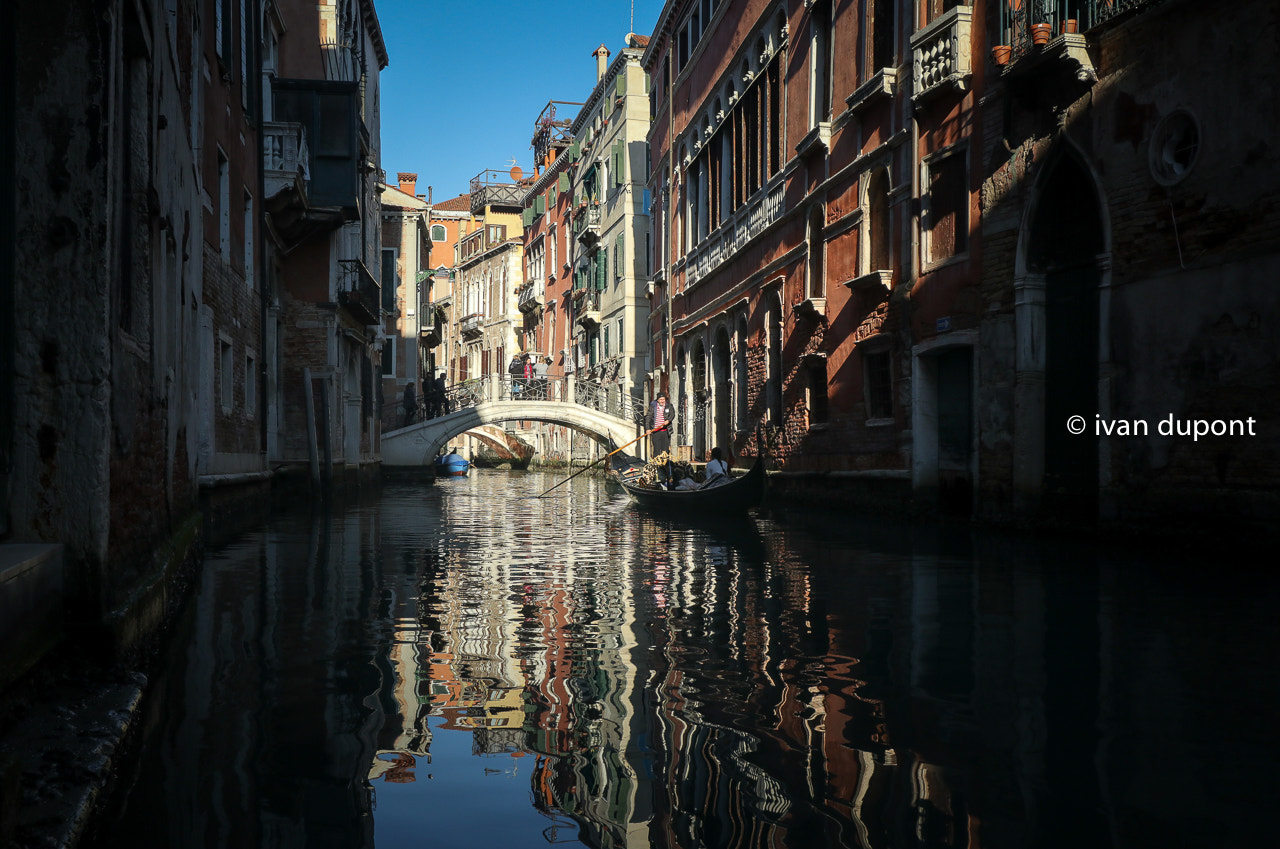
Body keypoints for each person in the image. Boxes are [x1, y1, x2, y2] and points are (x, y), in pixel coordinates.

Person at [649, 392, 674, 458]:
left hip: (666, 431)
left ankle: (665, 465)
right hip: (656, 431)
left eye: (663, 399)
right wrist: (647, 429)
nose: (662, 401)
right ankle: (656, 465)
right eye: (661, 399)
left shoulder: (669, 406)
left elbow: (672, 414)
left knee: (665, 451)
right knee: (656, 450)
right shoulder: (653, 407)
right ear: (657, 400)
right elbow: (648, 417)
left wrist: (668, 420)